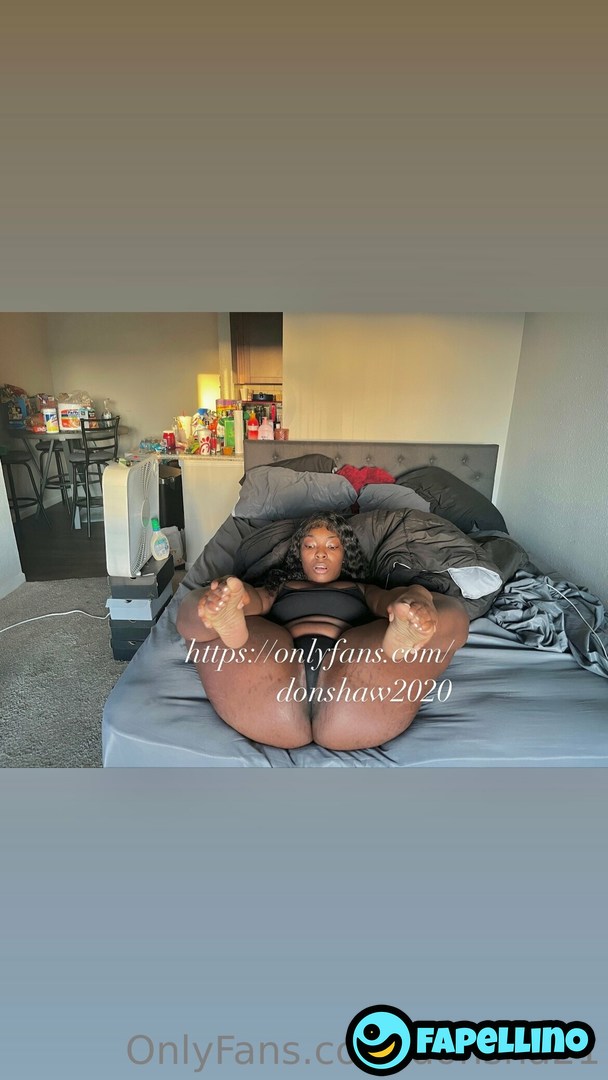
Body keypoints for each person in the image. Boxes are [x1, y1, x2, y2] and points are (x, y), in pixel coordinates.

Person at [176, 513, 469, 751]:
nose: (320, 554)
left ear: (345, 555)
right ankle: (225, 609)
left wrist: (413, 597)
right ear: (298, 555)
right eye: (309, 546)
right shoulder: (280, 587)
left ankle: (412, 618)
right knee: (202, 604)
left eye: (332, 546)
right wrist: (236, 595)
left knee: (446, 611)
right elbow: (257, 599)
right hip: (272, 681)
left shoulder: (362, 589)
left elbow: (386, 602)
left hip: (355, 683)